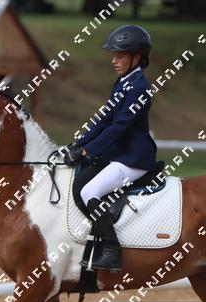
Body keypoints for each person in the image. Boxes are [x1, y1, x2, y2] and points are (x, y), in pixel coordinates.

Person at [65, 24, 157, 272]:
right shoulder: (123, 82)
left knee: (89, 192)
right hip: (118, 154)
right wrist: (79, 143)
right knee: (80, 183)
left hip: (133, 158)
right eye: (113, 56)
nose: (114, 61)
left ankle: (111, 251)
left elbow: (119, 128)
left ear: (136, 57)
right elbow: (103, 120)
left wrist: (87, 151)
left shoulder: (139, 88)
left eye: (119, 56)